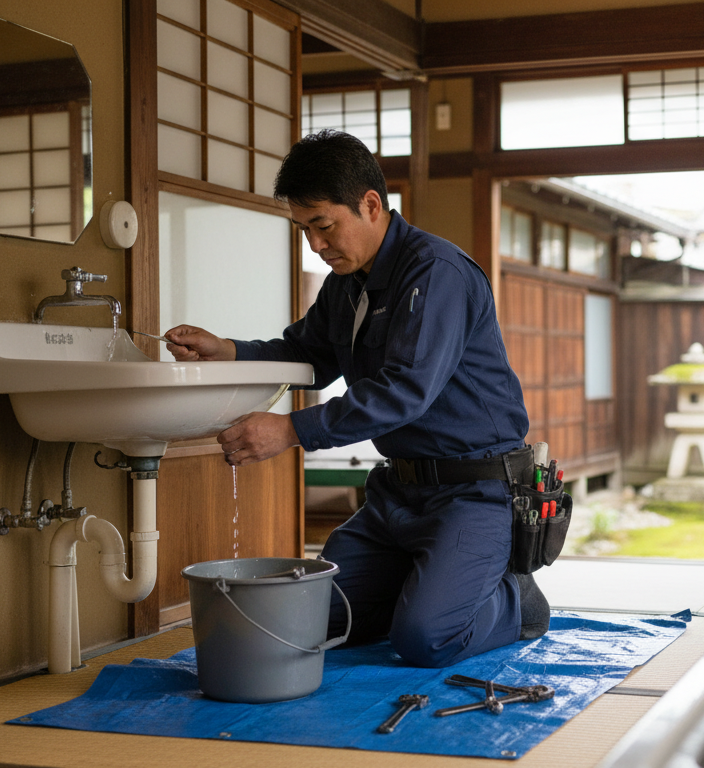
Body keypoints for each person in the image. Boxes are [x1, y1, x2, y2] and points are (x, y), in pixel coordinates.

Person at [164, 129, 548, 667]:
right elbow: (306, 353)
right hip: (396, 494)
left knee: (426, 640)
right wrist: (227, 350)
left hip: (474, 492)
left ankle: (516, 600)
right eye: (305, 231)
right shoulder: (345, 285)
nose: (316, 246)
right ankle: (428, 590)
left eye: (323, 226)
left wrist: (290, 431)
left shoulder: (435, 273)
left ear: (370, 204)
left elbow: (403, 393)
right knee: (319, 621)